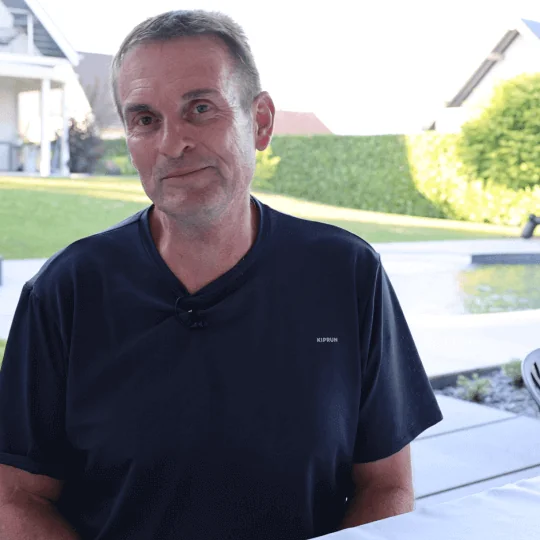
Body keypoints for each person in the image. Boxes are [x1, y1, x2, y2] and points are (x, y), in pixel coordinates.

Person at [0, 9, 442, 540]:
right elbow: (16, 497)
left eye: (201, 108)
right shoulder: (67, 290)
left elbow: (386, 486)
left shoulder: (346, 274)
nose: (172, 143)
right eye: (146, 119)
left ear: (261, 121)